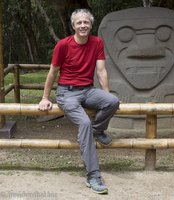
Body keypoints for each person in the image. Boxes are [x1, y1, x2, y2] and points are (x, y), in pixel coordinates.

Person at [38, 9, 119, 194]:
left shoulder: (97, 42)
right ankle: (93, 175)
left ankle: (97, 130)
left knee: (113, 101)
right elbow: (52, 73)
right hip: (67, 93)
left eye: (86, 22)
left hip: (88, 90)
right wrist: (45, 97)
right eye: (79, 23)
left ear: (91, 25)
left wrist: (106, 95)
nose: (83, 25)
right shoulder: (63, 45)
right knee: (84, 123)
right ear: (73, 26)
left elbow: (101, 71)